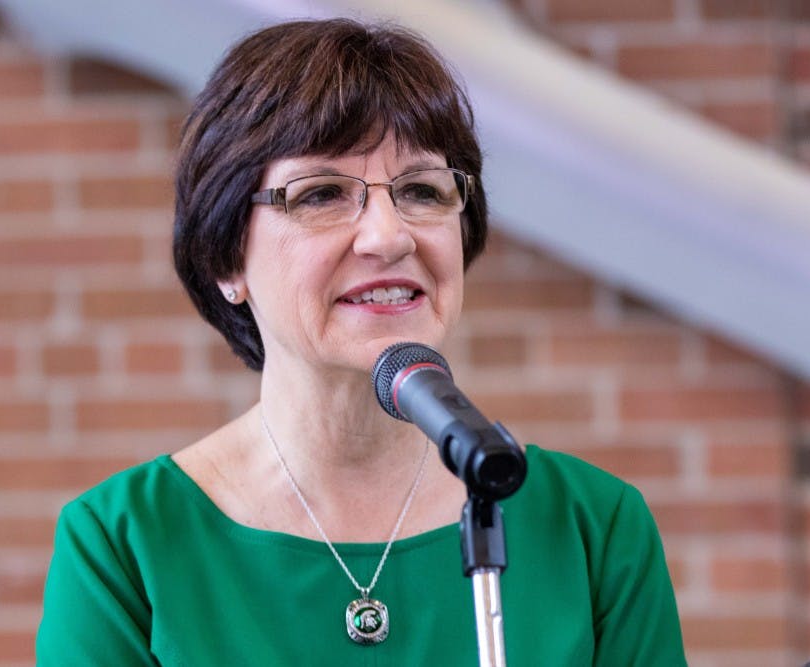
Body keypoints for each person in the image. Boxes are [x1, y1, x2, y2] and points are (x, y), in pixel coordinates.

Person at [36, 18, 687, 665]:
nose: (389, 236)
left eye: (423, 191)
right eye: (322, 193)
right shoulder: (122, 547)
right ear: (226, 257)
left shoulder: (595, 530)